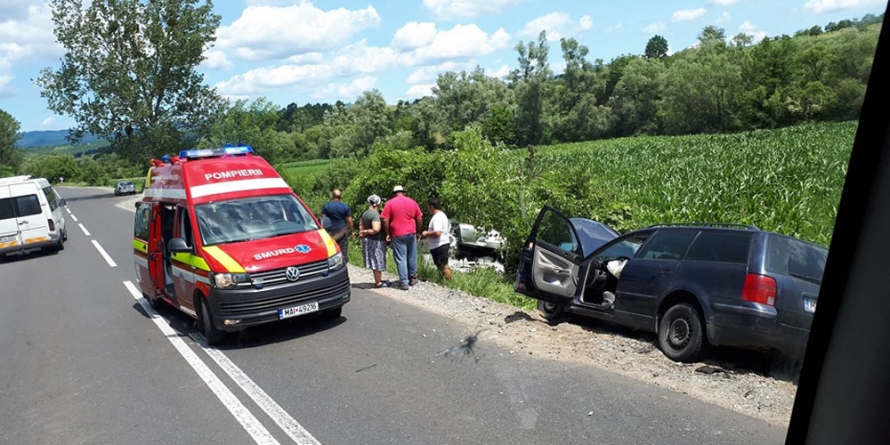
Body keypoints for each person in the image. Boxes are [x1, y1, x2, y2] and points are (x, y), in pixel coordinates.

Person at [381, 185, 422, 291]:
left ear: (394, 194)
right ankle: (413, 277)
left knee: (401, 258)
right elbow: (419, 218)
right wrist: (418, 232)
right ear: (404, 193)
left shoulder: (390, 203)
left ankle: (404, 282)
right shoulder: (412, 202)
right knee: (412, 256)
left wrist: (388, 233)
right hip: (411, 232)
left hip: (397, 233)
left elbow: (385, 220)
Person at [358, 194, 388, 288]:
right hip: (376, 241)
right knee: (377, 260)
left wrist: (362, 231)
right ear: (378, 203)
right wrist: (367, 231)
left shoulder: (365, 213)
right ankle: (378, 282)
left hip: (368, 240)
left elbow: (361, 224)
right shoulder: (375, 214)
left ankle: (378, 280)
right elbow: (376, 229)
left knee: (373, 260)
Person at [421, 197, 452, 280]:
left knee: (444, 265)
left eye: (428, 206)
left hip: (439, 245)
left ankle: (449, 281)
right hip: (440, 244)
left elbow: (438, 233)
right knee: (440, 265)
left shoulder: (437, 217)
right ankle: (442, 280)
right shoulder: (442, 215)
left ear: (431, 206)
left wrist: (426, 233)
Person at [321, 189, 353, 256]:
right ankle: (343, 263)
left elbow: (323, 220)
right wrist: (351, 231)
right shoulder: (345, 206)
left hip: (330, 231)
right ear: (340, 197)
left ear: (332, 196)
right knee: (343, 250)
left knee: (331, 250)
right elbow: (349, 220)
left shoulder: (326, 206)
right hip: (342, 231)